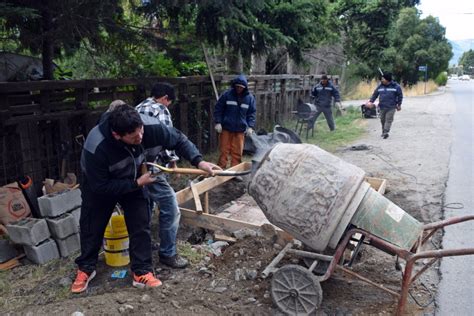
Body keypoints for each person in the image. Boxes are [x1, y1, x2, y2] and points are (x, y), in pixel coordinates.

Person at [72, 104, 219, 293]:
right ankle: (86, 268)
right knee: (92, 225)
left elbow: (179, 140)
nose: (140, 136)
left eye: (140, 130)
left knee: (140, 223)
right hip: (101, 185)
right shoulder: (96, 146)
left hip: (134, 179)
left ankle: (141, 271)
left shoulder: (150, 127)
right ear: (118, 135)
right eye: (134, 136)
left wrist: (199, 160)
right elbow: (101, 187)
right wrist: (136, 183)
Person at [135, 82, 187, 269]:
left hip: (137, 166)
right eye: (169, 102)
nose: (168, 105)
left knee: (146, 204)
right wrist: (172, 159)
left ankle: (146, 244)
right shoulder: (160, 109)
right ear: (165, 98)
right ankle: (168, 253)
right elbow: (167, 137)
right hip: (151, 167)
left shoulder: (138, 107)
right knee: (170, 206)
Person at [214, 74, 256, 169]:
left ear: (244, 87)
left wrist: (250, 126)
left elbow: (251, 113)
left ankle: (235, 171)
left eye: (241, 87)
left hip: (240, 129)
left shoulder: (249, 98)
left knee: (237, 152)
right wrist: (218, 122)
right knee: (224, 150)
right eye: (237, 87)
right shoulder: (227, 95)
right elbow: (218, 109)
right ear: (234, 86)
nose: (239, 89)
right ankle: (221, 169)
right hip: (226, 128)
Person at [367, 72, 403, 139]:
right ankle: (384, 131)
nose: (382, 80)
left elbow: (400, 96)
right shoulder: (380, 86)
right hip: (382, 107)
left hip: (391, 107)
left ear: (387, 79)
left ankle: (386, 132)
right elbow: (375, 95)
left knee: (388, 119)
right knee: (382, 120)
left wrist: (399, 104)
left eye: (383, 79)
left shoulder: (396, 86)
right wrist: (371, 102)